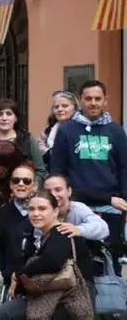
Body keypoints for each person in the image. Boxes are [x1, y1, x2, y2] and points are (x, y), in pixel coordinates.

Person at [50, 79, 127, 261]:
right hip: (76, 205)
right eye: (88, 98)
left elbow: (124, 168)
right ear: (81, 100)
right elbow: (58, 171)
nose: (93, 103)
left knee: (110, 261)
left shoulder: (116, 131)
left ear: (105, 100)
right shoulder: (66, 131)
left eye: (98, 98)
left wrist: (124, 200)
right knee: (76, 261)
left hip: (111, 206)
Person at [0, 193, 94, 320]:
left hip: (69, 299)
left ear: (56, 211)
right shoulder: (46, 235)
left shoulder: (62, 232)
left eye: (42, 209)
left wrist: (18, 274)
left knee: (3, 313)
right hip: (55, 294)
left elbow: (52, 262)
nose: (35, 214)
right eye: (31, 209)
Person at [0, 162, 37, 282]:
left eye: (27, 181)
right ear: (10, 185)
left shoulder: (43, 211)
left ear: (35, 186)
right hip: (10, 279)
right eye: (16, 180)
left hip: (40, 279)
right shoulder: (1, 214)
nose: (21, 184)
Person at [0, 100, 46, 183]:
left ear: (16, 118)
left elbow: (40, 171)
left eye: (9, 114)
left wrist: (31, 187)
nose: (4, 118)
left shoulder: (27, 139)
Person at [40, 173, 109, 243]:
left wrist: (79, 230)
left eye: (58, 190)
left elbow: (103, 229)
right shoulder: (41, 211)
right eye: (48, 191)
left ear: (69, 191)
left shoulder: (79, 208)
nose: (53, 194)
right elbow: (37, 239)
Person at [38, 91, 77, 169]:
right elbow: (39, 149)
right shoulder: (48, 129)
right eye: (56, 107)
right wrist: (50, 152)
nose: (60, 109)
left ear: (74, 108)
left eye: (64, 106)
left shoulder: (82, 128)